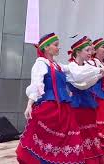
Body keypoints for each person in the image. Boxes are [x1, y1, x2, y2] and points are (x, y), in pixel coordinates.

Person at [16, 33, 85, 163]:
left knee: (65, 140)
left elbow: (74, 71)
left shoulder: (57, 65)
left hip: (63, 108)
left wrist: (99, 71)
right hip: (50, 106)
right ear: (46, 48)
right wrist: (29, 104)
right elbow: (36, 83)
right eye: (56, 45)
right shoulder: (41, 63)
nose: (59, 48)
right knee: (47, 139)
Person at [65, 36, 104, 163]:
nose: (90, 53)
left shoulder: (88, 66)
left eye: (90, 50)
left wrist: (101, 72)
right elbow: (80, 81)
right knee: (78, 134)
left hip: (88, 104)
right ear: (78, 52)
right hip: (76, 105)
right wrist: (100, 71)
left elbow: (89, 78)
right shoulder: (72, 66)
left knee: (91, 133)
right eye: (87, 50)